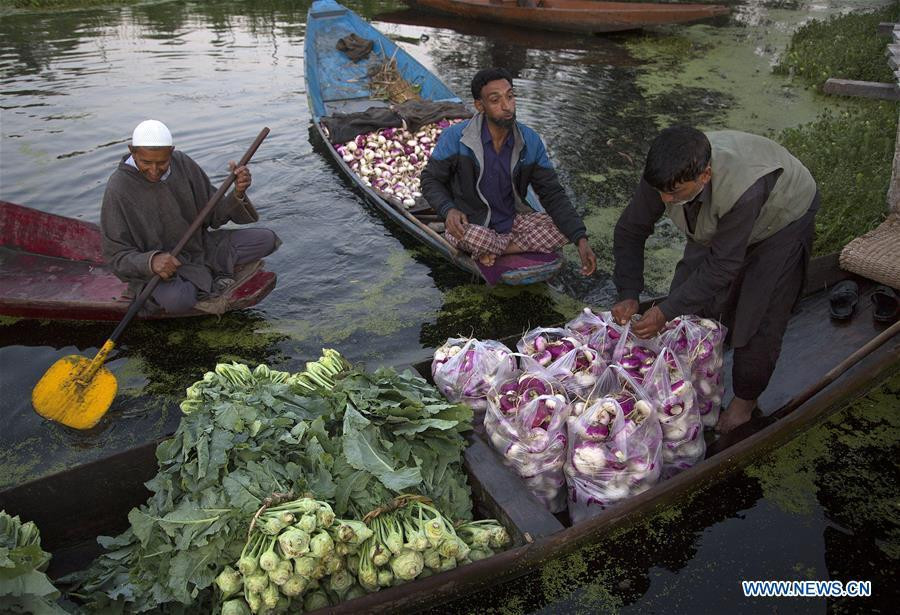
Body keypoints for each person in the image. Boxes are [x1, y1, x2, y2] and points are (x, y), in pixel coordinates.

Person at [611, 126, 819, 433]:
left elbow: (722, 266)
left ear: (705, 175)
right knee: (686, 302)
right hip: (721, 214)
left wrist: (665, 310)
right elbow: (631, 229)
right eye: (661, 192)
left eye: (674, 193)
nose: (665, 199)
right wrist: (629, 291)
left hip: (781, 221)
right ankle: (689, 381)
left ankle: (744, 405)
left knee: (758, 313)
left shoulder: (744, 190)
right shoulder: (665, 176)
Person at [420, 68, 596, 276]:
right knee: (469, 236)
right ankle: (498, 246)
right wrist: (449, 210)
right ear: (480, 106)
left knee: (565, 228)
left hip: (511, 221)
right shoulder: (456, 138)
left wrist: (581, 240)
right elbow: (430, 179)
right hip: (471, 224)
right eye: (495, 100)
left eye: (510, 96)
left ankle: (496, 250)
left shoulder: (530, 141)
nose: (507, 106)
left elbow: (552, 193)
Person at [100, 120, 280, 315]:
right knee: (179, 299)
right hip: (162, 271)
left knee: (266, 239)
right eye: (146, 162)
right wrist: (151, 261)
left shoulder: (183, 164)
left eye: (161, 163)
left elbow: (213, 216)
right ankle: (211, 277)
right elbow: (115, 256)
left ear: (171, 152)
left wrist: (237, 192)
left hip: (200, 249)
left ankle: (204, 276)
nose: (154, 170)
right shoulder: (118, 187)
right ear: (132, 151)